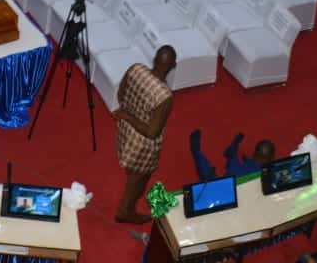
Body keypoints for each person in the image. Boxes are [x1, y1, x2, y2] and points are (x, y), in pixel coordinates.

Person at [113, 46, 177, 223]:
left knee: (132, 173)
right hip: (143, 146)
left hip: (125, 132)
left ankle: (127, 206)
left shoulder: (136, 69)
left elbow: (120, 96)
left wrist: (128, 114)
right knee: (138, 180)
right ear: (173, 65)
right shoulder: (164, 96)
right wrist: (130, 116)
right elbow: (152, 132)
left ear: (155, 58)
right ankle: (125, 211)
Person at [189, 130, 275, 181]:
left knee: (209, 178)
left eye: (263, 156)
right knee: (210, 177)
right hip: (236, 178)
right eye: (260, 155)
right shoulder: (271, 172)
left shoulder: (269, 173)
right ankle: (197, 152)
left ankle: (197, 152)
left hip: (236, 180)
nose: (261, 158)